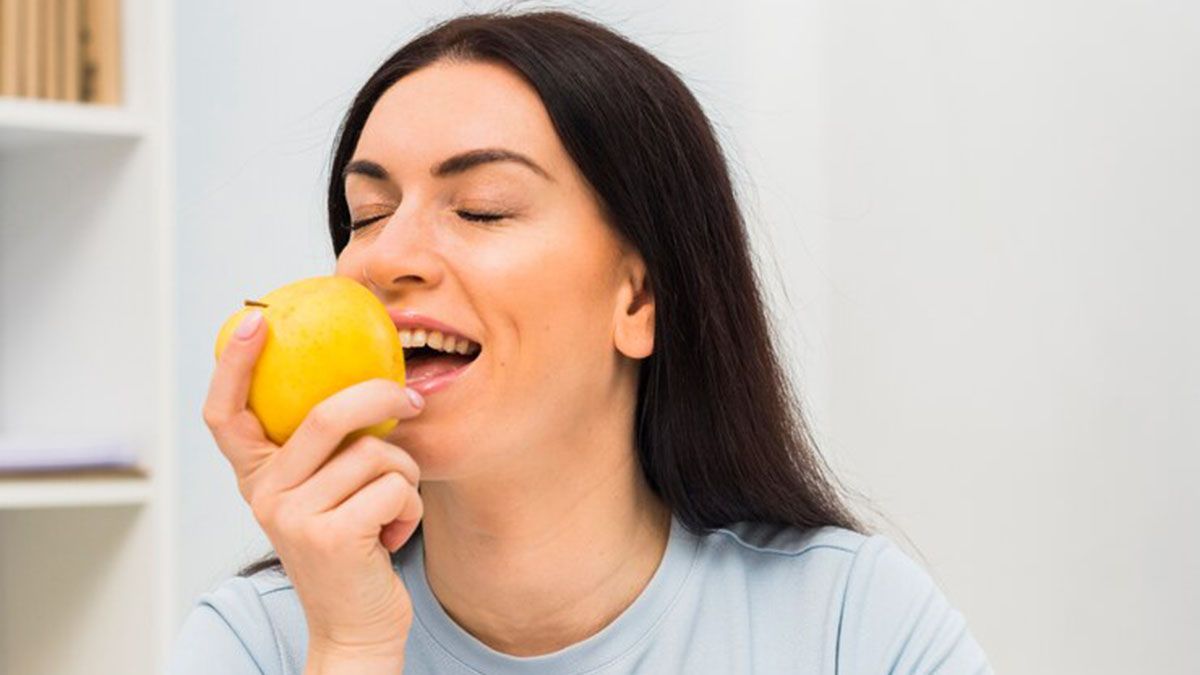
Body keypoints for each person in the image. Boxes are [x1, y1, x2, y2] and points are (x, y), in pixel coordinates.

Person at [172, 10, 993, 675]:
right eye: (368, 215)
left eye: (483, 207)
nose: (386, 258)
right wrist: (352, 647)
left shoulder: (852, 621)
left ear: (639, 298)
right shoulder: (261, 642)